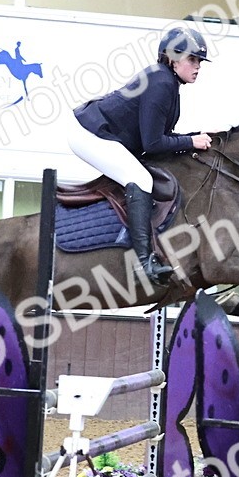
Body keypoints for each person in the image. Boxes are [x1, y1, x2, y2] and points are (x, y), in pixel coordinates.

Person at [68, 26, 214, 284]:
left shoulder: (168, 82)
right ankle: (142, 264)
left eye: (199, 60)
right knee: (142, 180)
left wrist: (193, 138)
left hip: (100, 134)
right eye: (192, 59)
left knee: (142, 175)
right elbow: (154, 143)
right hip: (89, 134)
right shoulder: (161, 83)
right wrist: (191, 141)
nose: (198, 66)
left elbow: (161, 136)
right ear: (172, 58)